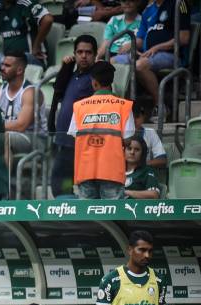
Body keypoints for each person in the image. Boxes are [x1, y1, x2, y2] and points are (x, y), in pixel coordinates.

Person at [68, 61, 134, 200]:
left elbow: (75, 136)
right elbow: (128, 139)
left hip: (85, 171)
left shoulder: (79, 106)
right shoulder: (124, 106)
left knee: (88, 216)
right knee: (113, 217)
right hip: (112, 171)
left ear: (94, 82)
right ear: (111, 80)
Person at [49, 35, 97, 196]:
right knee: (62, 184)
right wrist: (65, 66)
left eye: (88, 52)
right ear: (75, 54)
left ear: (95, 55)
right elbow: (58, 90)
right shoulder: (71, 75)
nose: (83, 56)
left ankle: (74, 215)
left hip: (82, 141)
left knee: (70, 183)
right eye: (80, 52)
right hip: (64, 139)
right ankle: (67, 214)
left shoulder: (96, 78)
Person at [130, 0, 190, 105]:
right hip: (147, 54)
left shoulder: (178, 4)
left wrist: (157, 48)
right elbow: (140, 39)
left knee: (139, 65)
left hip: (172, 54)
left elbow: (184, 38)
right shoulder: (148, 10)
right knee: (113, 62)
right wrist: (131, 46)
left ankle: (160, 105)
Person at [0, 51, 48, 158]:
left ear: (19, 70)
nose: (2, 68)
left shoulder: (30, 92)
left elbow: (21, 125)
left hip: (34, 139)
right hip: (9, 136)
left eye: (7, 66)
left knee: (3, 137)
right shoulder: (0, 90)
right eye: (2, 64)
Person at [0, 0, 53, 67]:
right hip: (9, 61)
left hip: (31, 60)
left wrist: (36, 46)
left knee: (18, 58)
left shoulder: (26, 4)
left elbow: (47, 19)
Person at [131, 98, 167, 169]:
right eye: (131, 117)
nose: (134, 121)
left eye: (137, 117)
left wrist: (141, 166)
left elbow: (162, 159)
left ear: (143, 117)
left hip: (144, 172)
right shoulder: (121, 133)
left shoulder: (150, 133)